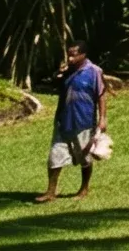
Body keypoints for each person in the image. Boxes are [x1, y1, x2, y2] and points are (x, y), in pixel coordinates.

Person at [38, 41, 107, 202]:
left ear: (83, 54)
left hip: (84, 121)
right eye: (68, 54)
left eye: (73, 55)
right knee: (55, 155)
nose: (70, 58)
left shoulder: (94, 71)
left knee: (85, 157)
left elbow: (101, 95)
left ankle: (84, 188)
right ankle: (50, 191)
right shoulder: (68, 72)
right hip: (63, 120)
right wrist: (58, 75)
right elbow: (56, 87)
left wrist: (103, 119)